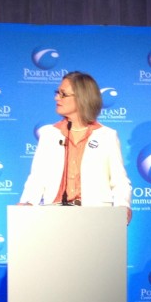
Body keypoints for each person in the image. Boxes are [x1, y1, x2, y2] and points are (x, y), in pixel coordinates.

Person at [19, 71, 132, 223]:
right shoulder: (49, 134)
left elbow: (119, 179)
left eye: (63, 94)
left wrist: (123, 205)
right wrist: (28, 202)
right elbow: (37, 177)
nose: (56, 98)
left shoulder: (106, 136)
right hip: (54, 217)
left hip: (95, 218)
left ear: (81, 98)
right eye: (57, 93)